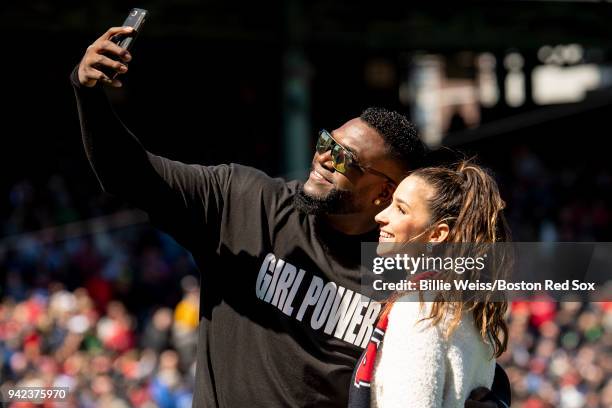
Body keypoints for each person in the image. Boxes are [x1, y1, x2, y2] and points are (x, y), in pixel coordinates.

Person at [71, 26, 510, 407]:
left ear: (384, 192)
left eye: (344, 158)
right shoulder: (242, 201)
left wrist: (494, 400)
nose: (323, 158)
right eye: (326, 142)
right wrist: (88, 94)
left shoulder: (403, 267)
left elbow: (465, 355)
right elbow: (127, 174)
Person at [349, 162, 512, 407]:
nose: (380, 216)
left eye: (401, 210)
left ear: (436, 235)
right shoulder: (469, 309)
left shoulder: (419, 309)